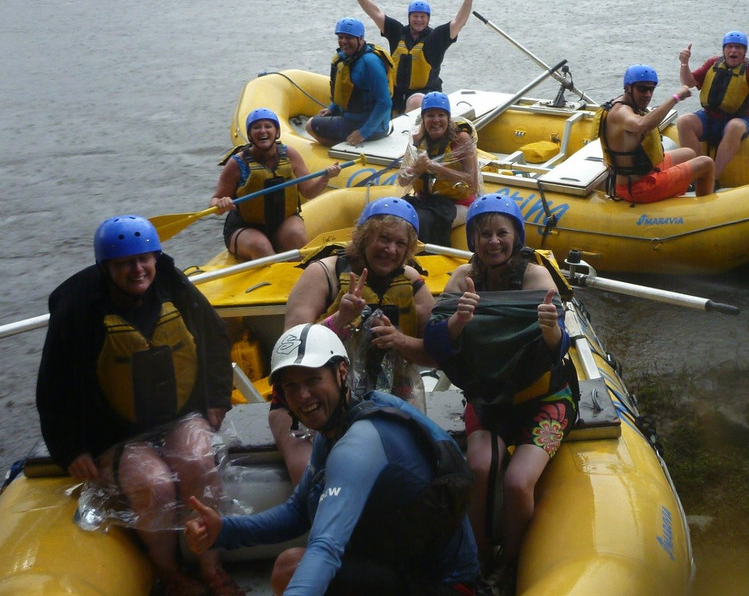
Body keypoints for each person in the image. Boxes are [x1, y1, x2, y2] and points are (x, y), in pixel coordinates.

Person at [184, 323, 479, 596]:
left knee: (292, 569)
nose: (302, 396)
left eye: (313, 380)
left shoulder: (360, 441)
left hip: (444, 585)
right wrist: (226, 531)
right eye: (290, 387)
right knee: (290, 565)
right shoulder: (339, 422)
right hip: (406, 564)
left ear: (341, 372)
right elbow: (298, 511)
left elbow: (326, 548)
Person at [36, 215, 240, 596]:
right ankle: (171, 573)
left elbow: (214, 335)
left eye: (144, 259)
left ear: (155, 258)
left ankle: (211, 566)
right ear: (106, 267)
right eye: (124, 263)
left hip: (179, 414)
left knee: (197, 460)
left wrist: (217, 398)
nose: (137, 269)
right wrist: (69, 448)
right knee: (154, 484)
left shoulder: (172, 285)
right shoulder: (78, 306)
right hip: (113, 430)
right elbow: (53, 385)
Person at [423, 194, 576, 586]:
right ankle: (474, 561)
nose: (493, 241)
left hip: (543, 400)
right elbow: (438, 343)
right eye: (484, 234)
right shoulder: (462, 277)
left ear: (516, 237)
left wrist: (549, 327)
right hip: (488, 400)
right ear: (473, 238)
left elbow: (556, 346)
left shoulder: (535, 277)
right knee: (478, 467)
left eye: (502, 233)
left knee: (517, 482)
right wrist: (458, 320)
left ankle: (512, 563)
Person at [271, 197, 436, 485]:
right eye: (383, 239)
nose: (391, 250)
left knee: (414, 469)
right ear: (363, 236)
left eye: (400, 244)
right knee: (309, 474)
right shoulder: (324, 273)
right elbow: (290, 346)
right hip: (309, 396)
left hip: (386, 394)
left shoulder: (412, 281)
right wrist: (340, 319)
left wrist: (399, 340)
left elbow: (433, 355)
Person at [212, 108, 341, 260]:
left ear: (277, 132)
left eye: (268, 126)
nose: (262, 131)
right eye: (256, 127)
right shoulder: (237, 163)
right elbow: (215, 203)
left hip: (283, 221)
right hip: (245, 226)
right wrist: (221, 203)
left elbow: (308, 192)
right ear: (249, 135)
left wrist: (324, 178)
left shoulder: (289, 155)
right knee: (261, 247)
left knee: (297, 237)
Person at [348, 0, 478, 115]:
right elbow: (376, 14)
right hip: (396, 92)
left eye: (423, 17)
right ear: (409, 17)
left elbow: (458, 22)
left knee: (415, 102)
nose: (419, 20)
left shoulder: (436, 38)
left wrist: (468, 1)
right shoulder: (397, 32)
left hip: (424, 95)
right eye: (415, 16)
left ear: (428, 19)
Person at [598, 64, 715, 202]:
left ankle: (678, 187)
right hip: (639, 188)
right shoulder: (620, 112)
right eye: (642, 89)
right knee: (706, 163)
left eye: (651, 89)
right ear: (628, 88)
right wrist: (676, 98)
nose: (647, 94)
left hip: (645, 172)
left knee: (688, 153)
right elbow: (642, 125)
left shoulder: (626, 103)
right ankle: (705, 210)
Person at [676, 30, 749, 181]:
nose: (733, 50)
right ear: (724, 50)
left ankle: (712, 177)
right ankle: (697, 174)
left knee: (734, 127)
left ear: (744, 52)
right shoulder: (713, 63)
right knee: (684, 121)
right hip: (709, 117)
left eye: (738, 47)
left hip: (738, 119)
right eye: (729, 47)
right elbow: (688, 82)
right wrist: (684, 63)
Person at [398, 91, 481, 245]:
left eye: (441, 115)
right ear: (423, 118)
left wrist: (435, 167)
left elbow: (472, 182)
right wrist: (415, 169)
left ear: (448, 118)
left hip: (458, 204)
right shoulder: (418, 139)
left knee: (420, 220)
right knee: (395, 214)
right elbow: (403, 180)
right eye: (430, 115)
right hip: (426, 201)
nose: (436, 120)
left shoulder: (461, 139)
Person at [305, 17, 393, 146]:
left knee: (309, 125)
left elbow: (385, 102)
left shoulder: (370, 63)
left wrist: (363, 133)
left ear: (360, 38)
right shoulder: (345, 58)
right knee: (320, 118)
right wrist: (332, 108)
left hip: (372, 127)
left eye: (349, 38)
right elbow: (347, 92)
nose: (344, 42)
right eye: (340, 37)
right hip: (352, 118)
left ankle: (337, 149)